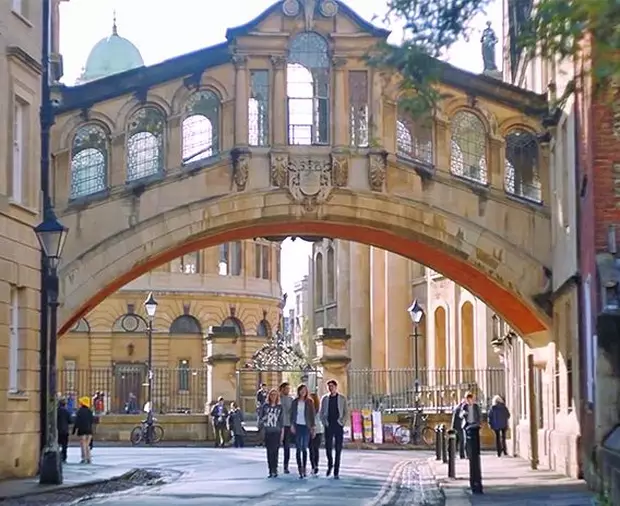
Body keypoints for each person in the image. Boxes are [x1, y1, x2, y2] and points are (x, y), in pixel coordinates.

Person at [319, 379, 349, 479]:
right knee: (328, 447)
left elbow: (346, 412)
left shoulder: (342, 398)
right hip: (328, 425)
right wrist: (324, 423)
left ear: (336, 387)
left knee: (338, 448)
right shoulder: (325, 398)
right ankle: (330, 464)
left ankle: (336, 469)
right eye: (329, 386)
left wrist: (342, 423)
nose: (330, 388)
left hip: (338, 425)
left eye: (332, 386)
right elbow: (321, 412)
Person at [290, 383, 316, 479]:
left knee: (304, 448)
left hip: (306, 426)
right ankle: (299, 468)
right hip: (297, 426)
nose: (303, 392)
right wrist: (292, 425)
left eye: (305, 390)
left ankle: (304, 467)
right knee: (298, 448)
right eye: (301, 390)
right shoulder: (295, 402)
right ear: (299, 391)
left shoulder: (309, 402)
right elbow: (292, 414)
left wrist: (313, 428)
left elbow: (312, 415)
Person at [258, 388, 284, 478]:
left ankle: (275, 469)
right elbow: (260, 418)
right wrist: (262, 422)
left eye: (275, 395)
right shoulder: (265, 406)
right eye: (272, 394)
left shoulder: (279, 407)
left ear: (277, 396)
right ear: (269, 396)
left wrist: (282, 433)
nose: (273, 396)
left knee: (275, 452)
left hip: (276, 431)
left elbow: (281, 421)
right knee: (269, 452)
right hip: (268, 431)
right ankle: (270, 470)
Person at [460, 391, 482, 459]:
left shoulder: (476, 406)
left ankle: (477, 453)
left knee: (476, 440)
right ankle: (467, 454)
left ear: (472, 399)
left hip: (475, 425)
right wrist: (463, 414)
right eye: (467, 399)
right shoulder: (464, 406)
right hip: (467, 425)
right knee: (466, 440)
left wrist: (479, 423)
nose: (469, 401)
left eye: (470, 399)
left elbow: (479, 415)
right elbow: (460, 415)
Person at [73, 397, 94, 464]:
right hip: (89, 430)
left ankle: (84, 458)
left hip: (82, 430)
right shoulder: (90, 411)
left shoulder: (80, 411)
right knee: (87, 445)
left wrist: (74, 430)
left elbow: (77, 421)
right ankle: (89, 458)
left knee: (83, 445)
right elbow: (91, 421)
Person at [279, 382, 293, 474]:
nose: (288, 390)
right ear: (282, 389)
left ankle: (286, 466)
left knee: (287, 446)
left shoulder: (291, 399)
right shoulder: (277, 399)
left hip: (287, 425)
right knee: (275, 446)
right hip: (278, 425)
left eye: (289, 388)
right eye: (286, 388)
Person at [309, 393, 324, 476]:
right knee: (312, 449)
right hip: (311, 430)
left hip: (318, 430)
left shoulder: (318, 410)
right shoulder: (308, 408)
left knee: (315, 449)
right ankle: (313, 466)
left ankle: (315, 465)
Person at [57, 398, 72, 463]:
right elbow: (70, 421)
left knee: (57, 444)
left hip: (57, 430)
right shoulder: (67, 411)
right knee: (64, 445)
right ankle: (64, 457)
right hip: (65, 431)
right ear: (65, 404)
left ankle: (57, 456)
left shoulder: (56, 411)